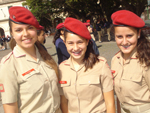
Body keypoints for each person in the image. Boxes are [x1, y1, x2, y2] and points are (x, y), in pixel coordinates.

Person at [0, 6, 61, 113]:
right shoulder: (9, 64)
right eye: (18, 30)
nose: (26, 34)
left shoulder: (44, 54)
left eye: (30, 28)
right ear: (12, 34)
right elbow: (10, 109)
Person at [59, 17, 115, 113]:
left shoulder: (100, 65)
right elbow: (64, 102)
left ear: (87, 42)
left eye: (80, 42)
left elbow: (110, 103)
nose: (75, 48)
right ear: (65, 43)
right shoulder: (61, 69)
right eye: (70, 43)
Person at [111, 10, 150, 113]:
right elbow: (119, 96)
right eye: (119, 37)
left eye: (129, 36)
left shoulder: (146, 59)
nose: (124, 42)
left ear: (138, 33)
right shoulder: (115, 60)